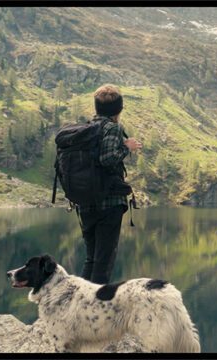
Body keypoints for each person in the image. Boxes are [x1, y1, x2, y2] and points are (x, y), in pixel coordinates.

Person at [77, 84, 142, 284]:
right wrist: (126, 147)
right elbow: (107, 159)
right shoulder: (113, 128)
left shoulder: (87, 128)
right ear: (118, 110)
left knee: (91, 258)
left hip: (86, 202)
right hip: (109, 203)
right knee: (103, 261)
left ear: (97, 107)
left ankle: (81, 305)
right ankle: (97, 309)